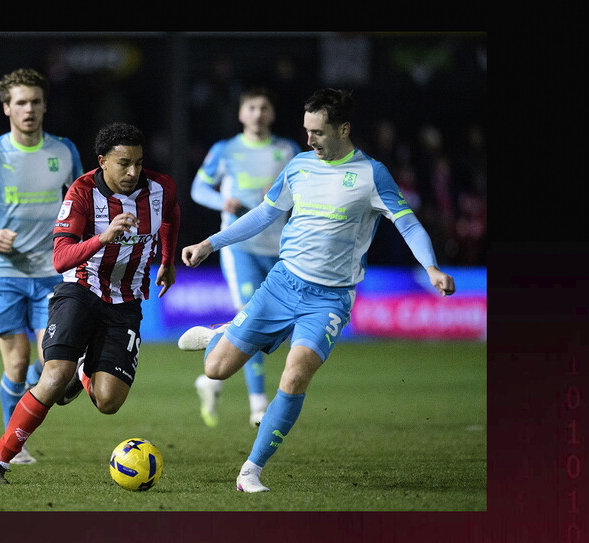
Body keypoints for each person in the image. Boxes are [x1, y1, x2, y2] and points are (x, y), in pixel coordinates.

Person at [177, 88, 456, 493]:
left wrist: (430, 266)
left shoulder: (371, 174)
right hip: (281, 284)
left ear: (344, 129)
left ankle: (251, 470)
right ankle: (221, 333)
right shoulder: (298, 167)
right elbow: (263, 215)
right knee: (214, 369)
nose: (309, 140)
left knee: (296, 374)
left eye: (318, 133)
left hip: (329, 299)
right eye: (306, 131)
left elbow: (407, 223)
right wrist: (209, 244)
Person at [0, 122, 180, 484]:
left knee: (108, 402)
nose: (133, 172)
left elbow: (170, 215)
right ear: (103, 161)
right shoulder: (82, 193)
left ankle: (85, 366)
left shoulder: (160, 187)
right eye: (123, 163)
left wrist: (167, 259)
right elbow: (60, 259)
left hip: (127, 301)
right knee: (55, 376)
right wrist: (104, 236)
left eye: (138, 162)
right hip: (81, 291)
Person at [0, 68, 83, 465]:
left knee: (53, 363)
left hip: (50, 272)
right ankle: (16, 441)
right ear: (7, 108)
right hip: (3, 271)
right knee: (16, 360)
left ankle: (36, 399)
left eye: (35, 102)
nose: (29, 109)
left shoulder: (63, 152)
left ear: (45, 106)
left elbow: (84, 202)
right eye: (21, 102)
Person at [188, 87, 301, 428]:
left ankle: (212, 379)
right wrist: (221, 203)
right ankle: (257, 405)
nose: (257, 113)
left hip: (279, 248)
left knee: (280, 324)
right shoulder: (226, 150)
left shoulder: (288, 151)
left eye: (264, 106)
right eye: (251, 107)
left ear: (272, 113)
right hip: (240, 249)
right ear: (241, 114)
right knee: (250, 318)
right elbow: (198, 188)